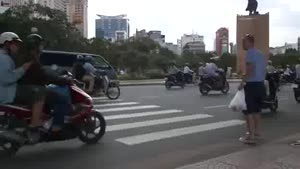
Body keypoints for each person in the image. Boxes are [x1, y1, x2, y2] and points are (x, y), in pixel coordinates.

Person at [17, 34, 72, 133]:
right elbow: (45, 76)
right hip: (33, 89)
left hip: (25, 88)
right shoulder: (31, 59)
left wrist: (56, 76)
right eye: (40, 45)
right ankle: (56, 125)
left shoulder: (25, 57)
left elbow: (44, 72)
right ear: (35, 46)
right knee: (62, 99)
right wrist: (63, 80)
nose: (42, 47)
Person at [0, 32, 45, 143]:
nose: (17, 46)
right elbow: (7, 79)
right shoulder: (4, 59)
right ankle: (34, 124)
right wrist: (23, 69)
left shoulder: (7, 58)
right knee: (40, 91)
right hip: (7, 92)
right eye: (15, 44)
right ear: (7, 44)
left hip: (7, 90)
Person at [238, 34, 267, 144]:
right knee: (257, 110)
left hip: (251, 85)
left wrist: (242, 82)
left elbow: (250, 69)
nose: (243, 44)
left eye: (244, 42)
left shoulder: (250, 53)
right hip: (260, 84)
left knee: (249, 111)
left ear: (250, 42)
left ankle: (250, 135)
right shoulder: (260, 53)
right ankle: (257, 133)